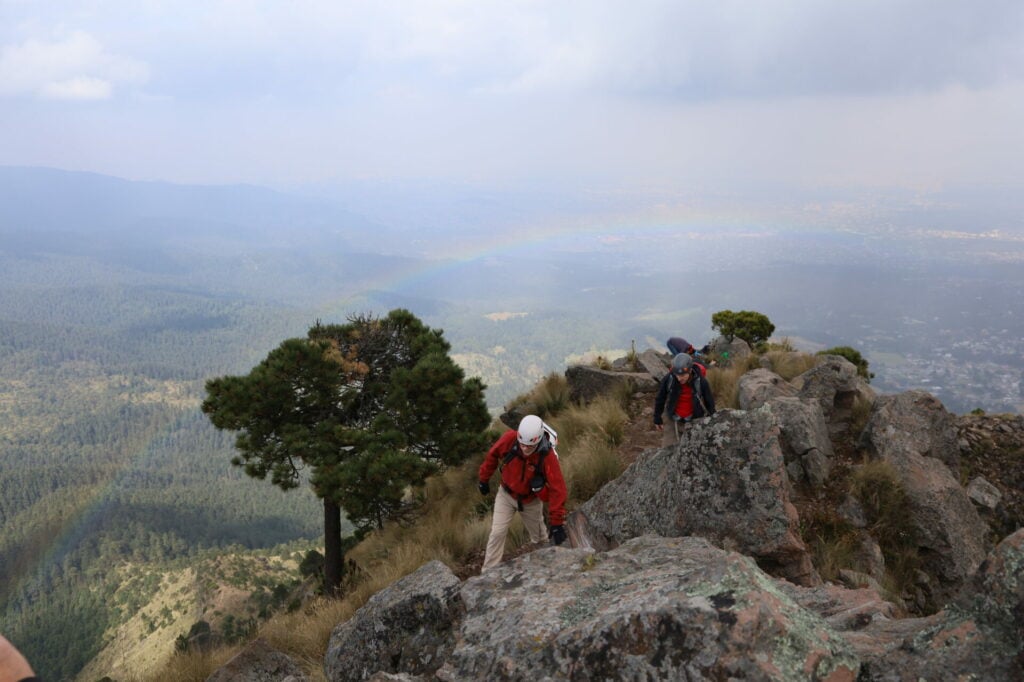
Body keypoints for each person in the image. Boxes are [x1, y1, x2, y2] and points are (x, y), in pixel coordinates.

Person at [478, 415, 568, 571]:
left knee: (540, 539)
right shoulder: (510, 439)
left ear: (538, 440)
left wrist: (557, 522)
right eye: (522, 444)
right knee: (497, 533)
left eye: (529, 446)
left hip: (530, 502)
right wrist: (483, 479)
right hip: (505, 495)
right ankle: (488, 572)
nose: (524, 448)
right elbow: (493, 455)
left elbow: (557, 489)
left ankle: (548, 567)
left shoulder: (547, 457)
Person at [653, 353, 716, 447]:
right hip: (673, 420)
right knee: (668, 451)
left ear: (690, 370)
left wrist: (714, 420)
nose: (679, 378)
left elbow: (709, 401)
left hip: (694, 421)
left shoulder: (701, 381)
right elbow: (660, 398)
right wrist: (657, 418)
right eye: (677, 375)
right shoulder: (669, 379)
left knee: (694, 451)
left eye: (682, 375)